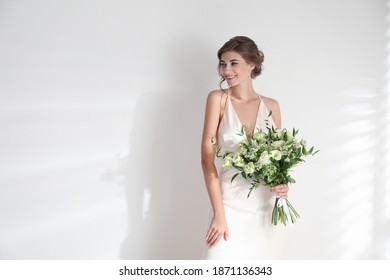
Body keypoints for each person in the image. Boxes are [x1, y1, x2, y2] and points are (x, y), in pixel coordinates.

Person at [201, 36, 289, 259]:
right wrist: (219, 215)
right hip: (229, 203)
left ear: (252, 64)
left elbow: (278, 158)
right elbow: (206, 160)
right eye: (223, 63)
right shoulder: (218, 99)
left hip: (266, 206)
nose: (226, 70)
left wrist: (282, 183)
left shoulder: (272, 106)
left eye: (233, 63)